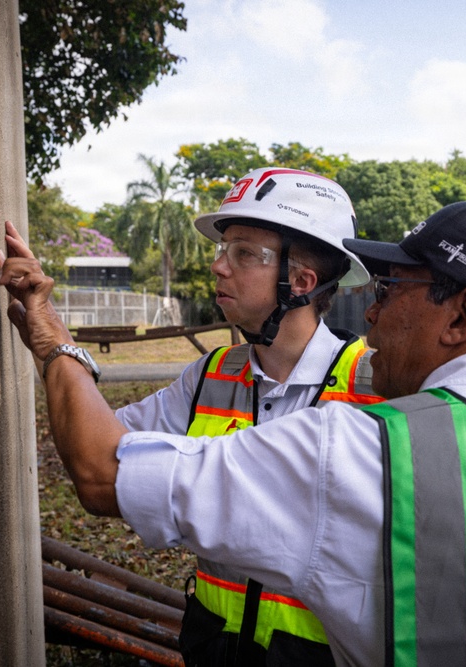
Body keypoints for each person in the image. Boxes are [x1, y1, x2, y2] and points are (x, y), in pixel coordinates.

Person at [0, 201, 466, 666]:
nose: (371, 314)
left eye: (390, 292)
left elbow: (101, 470)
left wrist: (49, 336)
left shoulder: (353, 447)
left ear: (462, 315)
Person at [114, 168, 382, 666]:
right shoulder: (210, 375)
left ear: (301, 281)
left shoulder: (376, 387)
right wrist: (57, 346)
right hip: (214, 647)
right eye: (223, 250)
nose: (218, 267)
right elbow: (104, 451)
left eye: (243, 253)